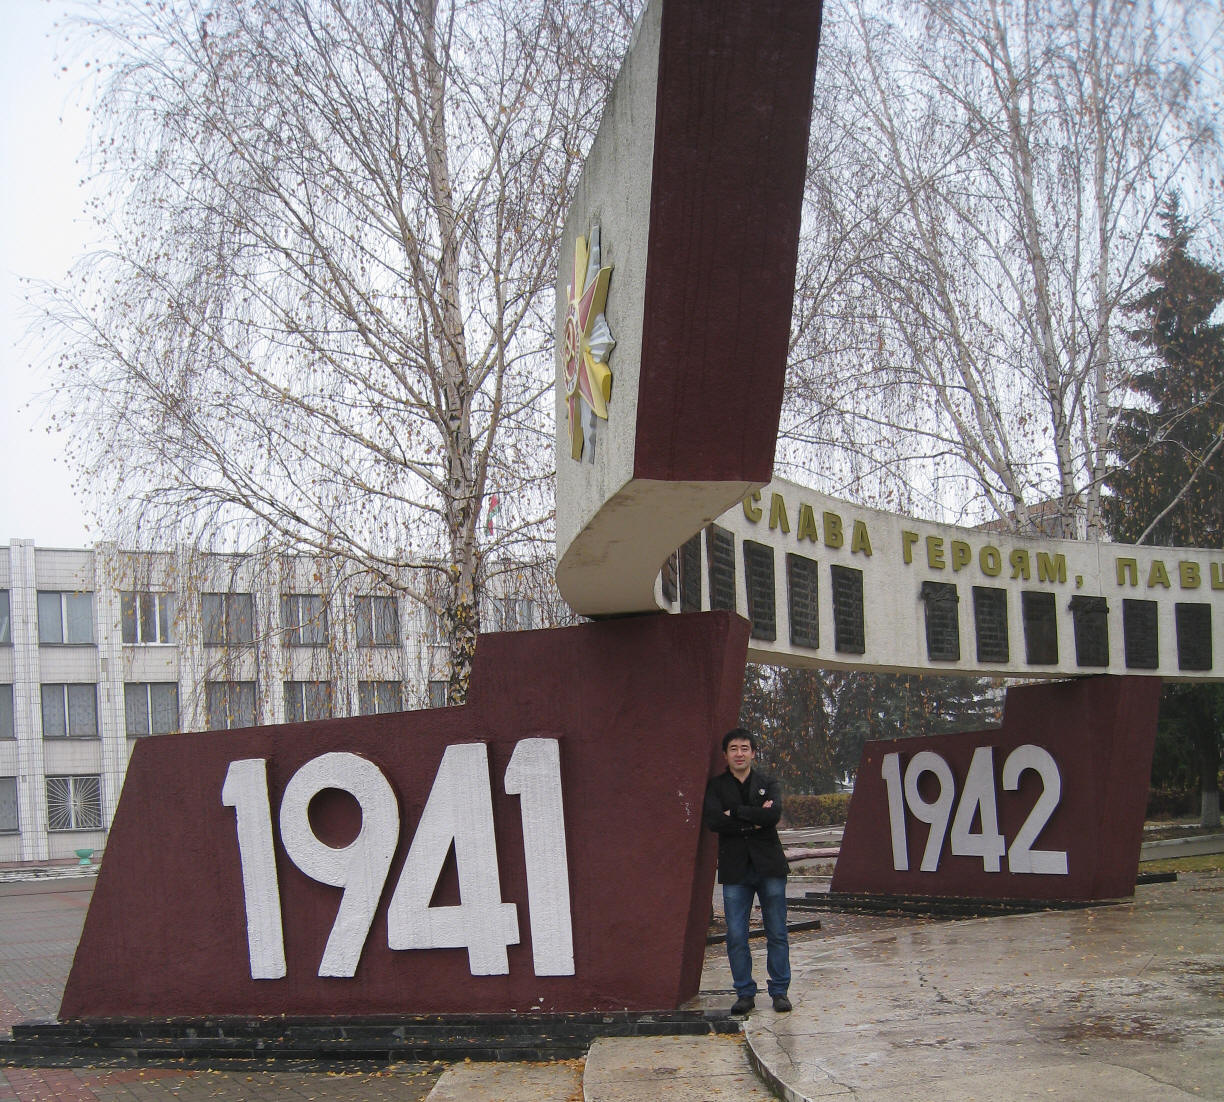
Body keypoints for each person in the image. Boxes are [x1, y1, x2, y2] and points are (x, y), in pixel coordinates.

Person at [703, 727, 791, 1015]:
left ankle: (780, 991)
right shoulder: (716, 786)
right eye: (733, 749)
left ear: (753, 753)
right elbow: (714, 821)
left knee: (777, 931)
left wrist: (736, 812)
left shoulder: (769, 782)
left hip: (770, 867)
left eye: (744, 748)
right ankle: (744, 992)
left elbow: (772, 815)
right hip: (735, 870)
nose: (739, 753)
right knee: (736, 935)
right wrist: (754, 817)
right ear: (725, 755)